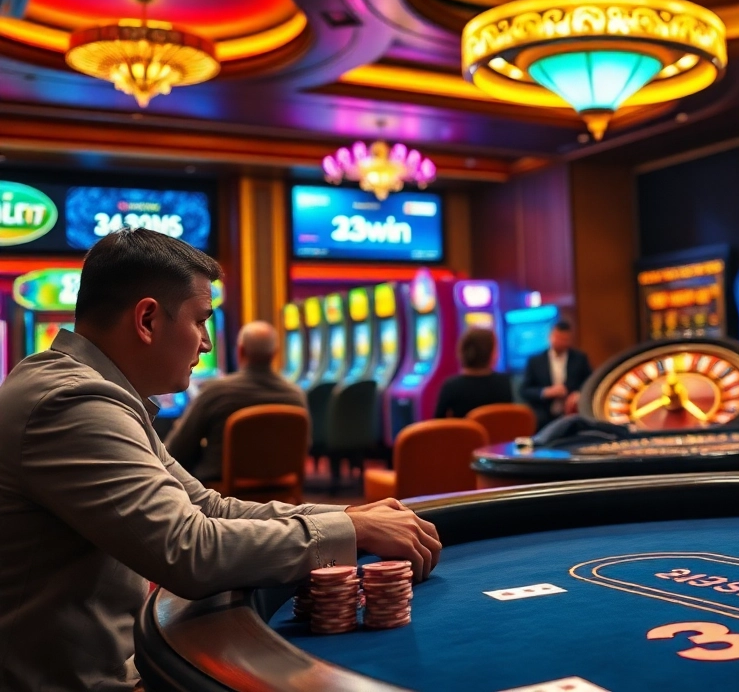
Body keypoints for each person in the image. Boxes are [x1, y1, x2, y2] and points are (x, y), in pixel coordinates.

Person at [0, 228, 442, 691]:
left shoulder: (95, 393)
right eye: (200, 321)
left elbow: (209, 506)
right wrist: (350, 530)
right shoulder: (71, 403)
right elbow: (188, 549)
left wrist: (351, 516)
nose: (208, 343)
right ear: (147, 320)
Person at [165, 320, 308, 482]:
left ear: (240, 351)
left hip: (220, 490)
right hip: (281, 487)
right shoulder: (295, 396)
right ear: (275, 353)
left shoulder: (215, 392)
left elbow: (177, 448)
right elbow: (303, 446)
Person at [520, 320, 593, 428]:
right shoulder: (535, 361)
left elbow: (590, 383)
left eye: (565, 339)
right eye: (558, 338)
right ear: (550, 337)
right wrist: (545, 392)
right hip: (543, 417)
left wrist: (578, 394)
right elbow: (524, 390)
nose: (561, 342)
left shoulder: (580, 359)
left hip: (572, 415)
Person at [434, 327, 514, 418]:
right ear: (492, 354)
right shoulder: (505, 384)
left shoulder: (451, 387)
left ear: (462, 351)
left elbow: (439, 423)